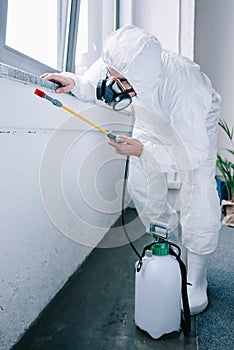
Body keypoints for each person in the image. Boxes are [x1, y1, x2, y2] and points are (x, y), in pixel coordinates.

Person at [41, 25, 221, 315]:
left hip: (194, 132)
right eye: (112, 74)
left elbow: (192, 154)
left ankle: (196, 278)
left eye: (119, 79)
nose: (112, 81)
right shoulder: (122, 61)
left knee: (197, 188)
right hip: (152, 117)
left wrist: (143, 150)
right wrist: (76, 83)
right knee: (142, 178)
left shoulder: (184, 85)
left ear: (139, 78)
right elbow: (97, 80)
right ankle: (168, 251)